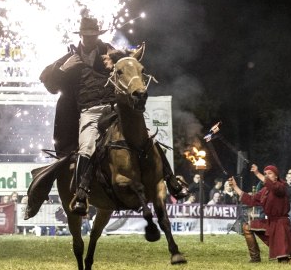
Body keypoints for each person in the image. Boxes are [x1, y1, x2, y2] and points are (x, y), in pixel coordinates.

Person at [40, 17, 186, 215]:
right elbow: (50, 85)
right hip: (88, 111)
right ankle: (81, 194)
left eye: (94, 35)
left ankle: (172, 181)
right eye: (87, 35)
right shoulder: (68, 59)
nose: (90, 39)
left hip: (114, 109)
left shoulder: (111, 52)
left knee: (148, 138)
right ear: (81, 36)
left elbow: (129, 62)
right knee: (87, 147)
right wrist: (63, 70)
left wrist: (128, 57)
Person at [230, 164, 291, 263]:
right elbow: (251, 200)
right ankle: (255, 258)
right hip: (270, 223)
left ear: (276, 176)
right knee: (247, 227)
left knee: (285, 260)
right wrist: (235, 187)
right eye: (265, 174)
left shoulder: (281, 186)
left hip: (281, 226)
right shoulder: (265, 190)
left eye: (270, 173)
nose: (267, 176)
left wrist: (257, 173)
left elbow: (273, 186)